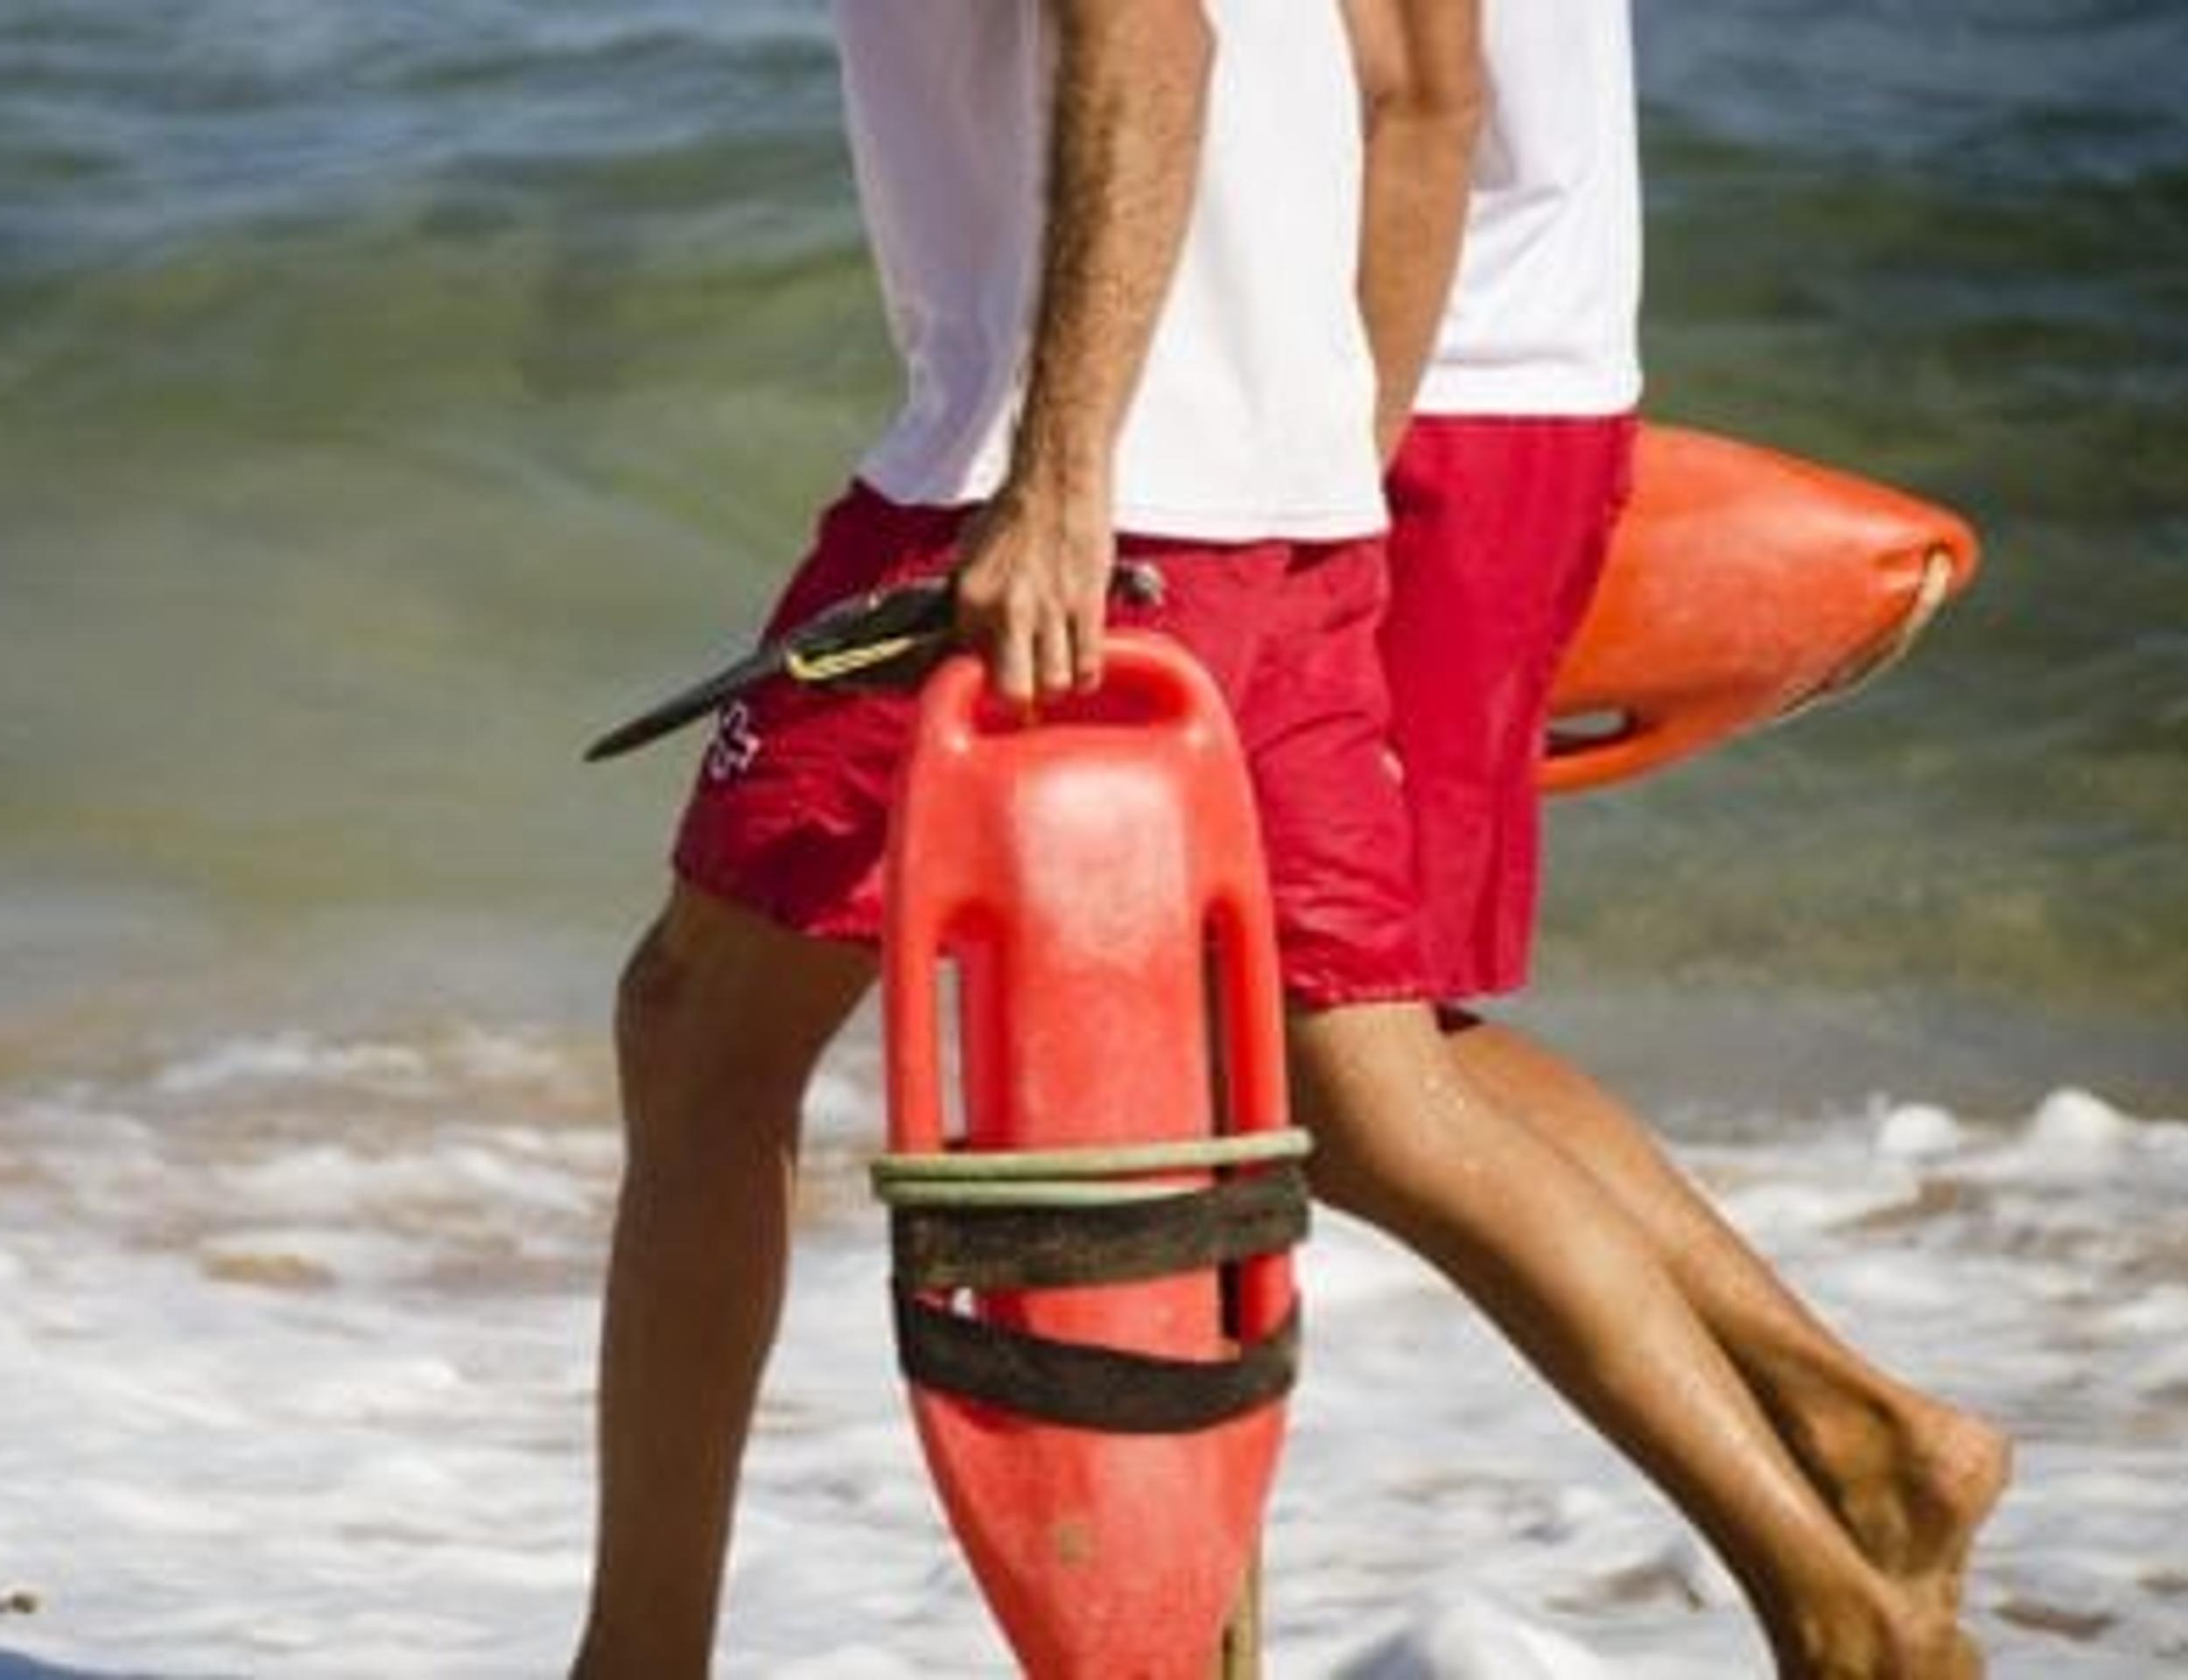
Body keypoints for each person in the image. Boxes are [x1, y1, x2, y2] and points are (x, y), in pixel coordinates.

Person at [572, 2, 1976, 1673]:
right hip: (1272, 497)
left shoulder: (1063, 472)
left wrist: (1064, 478)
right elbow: (1396, 84)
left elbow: (1151, 27)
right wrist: (1315, 480)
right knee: (1378, 1097)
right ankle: (1831, 1592)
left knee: (699, 1034)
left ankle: (637, 1660)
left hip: (1063, 488)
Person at [1357, 0, 2012, 1629]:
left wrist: (1313, 459)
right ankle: (1857, 1440)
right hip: (1465, 376)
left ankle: (1840, 1492)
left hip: (1419, 398)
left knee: (1327, 1049)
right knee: (1372, 1034)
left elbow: (1412, 98)